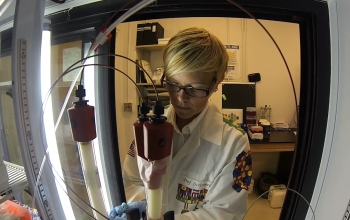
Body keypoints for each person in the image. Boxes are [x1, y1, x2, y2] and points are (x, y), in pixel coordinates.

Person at [120, 27, 252, 220]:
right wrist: (141, 208)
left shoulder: (234, 143)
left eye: (195, 89)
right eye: (173, 84)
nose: (180, 98)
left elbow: (225, 212)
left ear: (216, 84)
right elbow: (131, 180)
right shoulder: (147, 129)